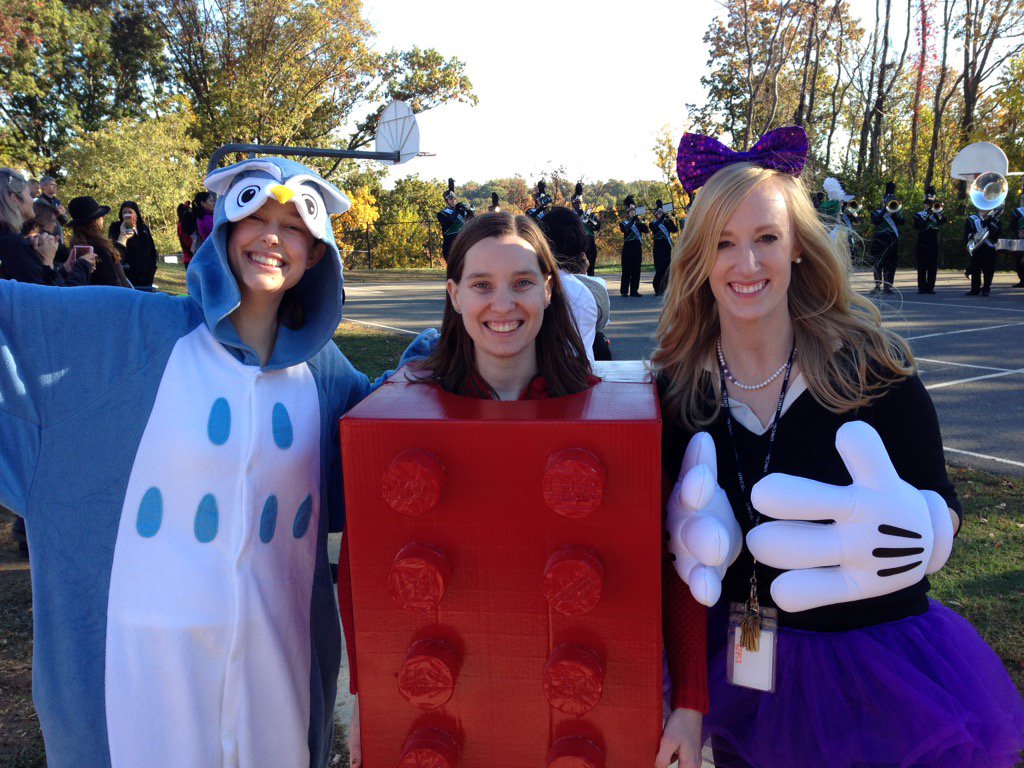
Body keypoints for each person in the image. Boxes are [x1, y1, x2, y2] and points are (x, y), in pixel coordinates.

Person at [0, 156, 432, 768]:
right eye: (254, 216)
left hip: (273, 680)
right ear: (225, 231)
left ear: (317, 252)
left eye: (294, 224)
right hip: (140, 685)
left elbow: (391, 434)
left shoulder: (327, 374)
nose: (272, 236)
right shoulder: (123, 335)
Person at [654, 126, 1024, 768]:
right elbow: (674, 564)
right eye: (724, 244)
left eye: (766, 238)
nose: (747, 264)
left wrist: (923, 529)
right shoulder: (679, 390)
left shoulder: (873, 369)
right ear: (697, 259)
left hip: (879, 670)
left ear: (798, 245)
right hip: (749, 673)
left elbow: (943, 500)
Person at [0, 168, 93, 286]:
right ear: (14, 199)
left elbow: (35, 278)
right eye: (29, 194)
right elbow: (51, 298)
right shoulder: (11, 244)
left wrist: (65, 268)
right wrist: (48, 260)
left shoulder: (9, 240)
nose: (32, 201)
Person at [66, 195, 133, 287]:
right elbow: (111, 280)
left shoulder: (75, 246)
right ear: (95, 221)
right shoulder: (99, 248)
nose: (103, 219)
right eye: (101, 216)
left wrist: (123, 237)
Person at [108, 200, 159, 291]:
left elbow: (151, 248)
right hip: (127, 272)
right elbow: (114, 248)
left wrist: (152, 266)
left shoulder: (143, 228)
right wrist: (122, 233)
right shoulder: (116, 227)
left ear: (136, 214)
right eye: (125, 212)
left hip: (145, 273)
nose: (127, 215)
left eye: (130, 212)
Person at [868, 181, 903, 294]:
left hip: (892, 239)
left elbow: (902, 222)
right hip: (879, 239)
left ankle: (888, 286)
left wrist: (894, 214)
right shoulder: (876, 212)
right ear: (883, 201)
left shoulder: (896, 212)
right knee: (878, 263)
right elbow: (875, 221)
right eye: (886, 201)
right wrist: (884, 211)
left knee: (891, 263)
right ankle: (877, 285)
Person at [912, 186, 946, 294]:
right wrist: (928, 215)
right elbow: (919, 226)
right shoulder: (919, 215)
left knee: (932, 266)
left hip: (933, 242)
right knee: (922, 266)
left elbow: (942, 222)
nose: (929, 205)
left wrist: (935, 213)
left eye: (931, 203)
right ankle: (921, 288)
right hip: (922, 242)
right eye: (927, 203)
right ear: (924, 204)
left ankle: (930, 287)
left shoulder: (938, 214)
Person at [964, 206, 1002, 296]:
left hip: (989, 247)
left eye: (986, 208)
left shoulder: (995, 220)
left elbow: (998, 233)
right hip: (977, 248)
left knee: (988, 270)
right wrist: (971, 239)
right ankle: (975, 289)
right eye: (981, 207)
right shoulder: (971, 219)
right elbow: (967, 233)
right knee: (975, 269)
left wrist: (988, 222)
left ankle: (986, 289)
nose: (984, 209)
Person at [619, 194, 648, 296]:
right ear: (628, 213)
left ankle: (634, 290)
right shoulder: (624, 223)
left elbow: (646, 230)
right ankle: (624, 291)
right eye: (631, 211)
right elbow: (625, 230)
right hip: (627, 249)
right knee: (626, 270)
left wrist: (639, 222)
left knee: (636, 269)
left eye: (634, 211)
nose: (633, 212)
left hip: (637, 248)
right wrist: (633, 220)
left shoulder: (638, 223)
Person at [436, 178, 471, 262]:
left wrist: (468, 211)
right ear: (446, 201)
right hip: (450, 247)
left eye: (454, 198)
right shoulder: (442, 214)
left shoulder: (461, 211)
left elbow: (471, 221)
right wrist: (456, 210)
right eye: (451, 199)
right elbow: (450, 222)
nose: (453, 200)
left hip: (462, 245)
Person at [571, 182, 601, 276]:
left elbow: (598, 226)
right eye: (576, 203)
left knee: (591, 270)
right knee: (579, 272)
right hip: (578, 245)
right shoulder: (571, 217)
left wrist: (589, 221)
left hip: (590, 244)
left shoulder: (590, 214)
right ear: (573, 204)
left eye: (580, 202)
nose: (579, 204)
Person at [651, 199, 679, 295]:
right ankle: (657, 288)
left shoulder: (666, 222)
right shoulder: (653, 223)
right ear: (656, 215)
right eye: (659, 213)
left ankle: (666, 288)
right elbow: (654, 227)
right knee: (659, 268)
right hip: (658, 248)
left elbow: (675, 230)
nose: (661, 214)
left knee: (667, 268)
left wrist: (670, 221)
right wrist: (662, 218)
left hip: (667, 247)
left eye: (661, 213)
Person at [1011, 189, 1024, 287]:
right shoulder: (1017, 211)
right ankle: (1022, 280)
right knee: (1018, 260)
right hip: (1020, 239)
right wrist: (1018, 232)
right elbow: (1012, 226)